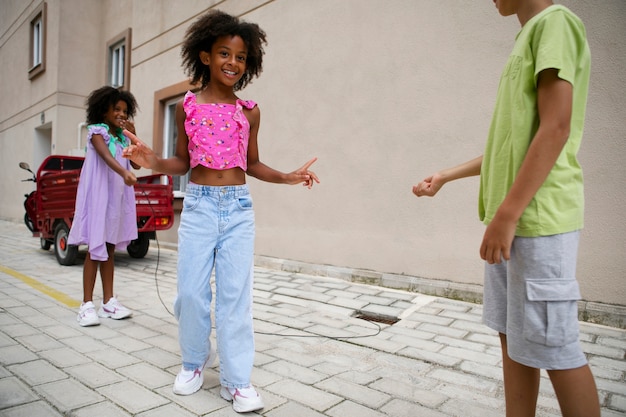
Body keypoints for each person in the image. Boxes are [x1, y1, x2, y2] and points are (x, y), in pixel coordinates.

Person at [122, 10, 319, 413]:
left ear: (250, 64)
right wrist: (153, 163)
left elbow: (252, 164)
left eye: (241, 57)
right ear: (206, 56)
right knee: (192, 294)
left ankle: (237, 379)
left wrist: (288, 176)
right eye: (224, 53)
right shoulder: (188, 106)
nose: (233, 62)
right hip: (197, 207)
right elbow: (182, 162)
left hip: (239, 209)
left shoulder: (249, 111)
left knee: (234, 297)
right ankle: (195, 363)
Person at [413, 1, 600, 416]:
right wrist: (446, 174)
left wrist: (508, 215)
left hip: (537, 220)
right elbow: (508, 147)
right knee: (513, 337)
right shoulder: (526, 37)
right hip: (512, 223)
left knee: (556, 349)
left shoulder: (556, 24)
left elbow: (556, 126)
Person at [69, 86, 140, 327]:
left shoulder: (122, 139)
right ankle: (87, 304)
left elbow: (138, 165)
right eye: (117, 109)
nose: (122, 114)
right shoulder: (97, 133)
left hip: (116, 200)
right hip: (99, 197)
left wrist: (133, 136)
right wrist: (124, 173)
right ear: (103, 111)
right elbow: (106, 157)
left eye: (125, 110)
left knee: (109, 247)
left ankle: (109, 302)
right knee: (95, 247)